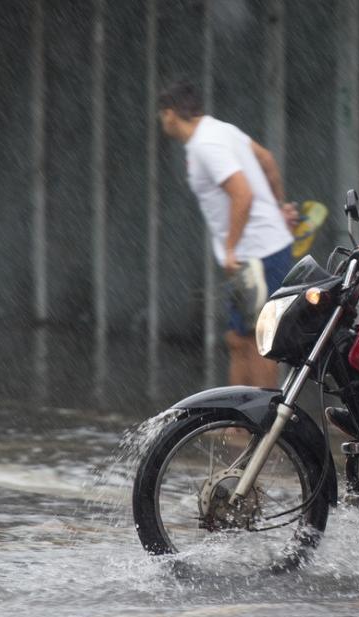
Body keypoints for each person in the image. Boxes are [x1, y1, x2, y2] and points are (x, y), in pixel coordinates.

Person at [157, 80, 300, 388]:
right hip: (258, 252)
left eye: (162, 114)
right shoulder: (220, 131)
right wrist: (279, 207)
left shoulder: (205, 145)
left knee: (259, 340)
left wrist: (231, 248)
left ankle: (263, 421)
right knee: (238, 339)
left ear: (170, 113)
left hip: (257, 254)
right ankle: (239, 423)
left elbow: (242, 194)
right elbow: (267, 160)